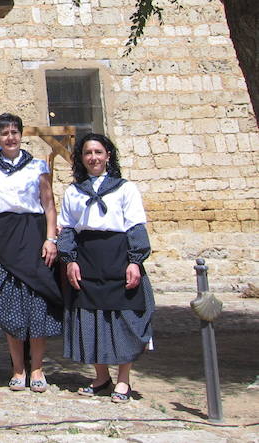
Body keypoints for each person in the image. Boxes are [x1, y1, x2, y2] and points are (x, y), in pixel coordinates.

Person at [59, 133, 154, 404]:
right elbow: (67, 229)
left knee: (123, 316)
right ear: (81, 158)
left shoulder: (125, 189)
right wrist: (70, 260)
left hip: (118, 256)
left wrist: (135, 262)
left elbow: (136, 226)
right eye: (88, 153)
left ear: (108, 156)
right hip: (87, 259)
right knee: (90, 317)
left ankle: (123, 381)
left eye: (98, 152)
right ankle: (101, 377)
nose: (93, 157)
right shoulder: (73, 192)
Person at [0, 112, 61, 393]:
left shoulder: (37, 167)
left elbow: (49, 205)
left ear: (21, 135)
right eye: (5, 134)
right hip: (4, 237)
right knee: (10, 303)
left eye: (14, 132)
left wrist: (51, 239)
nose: (10, 138)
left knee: (37, 303)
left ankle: (37, 368)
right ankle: (18, 369)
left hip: (33, 235)